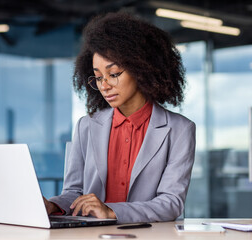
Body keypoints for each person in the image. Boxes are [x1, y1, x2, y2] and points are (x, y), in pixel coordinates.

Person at [44, 11, 196, 224]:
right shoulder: (86, 126)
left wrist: (111, 211)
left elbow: (171, 203)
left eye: (114, 74)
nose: (104, 85)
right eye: (98, 77)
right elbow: (74, 192)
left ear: (141, 69)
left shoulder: (180, 129)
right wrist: (54, 205)